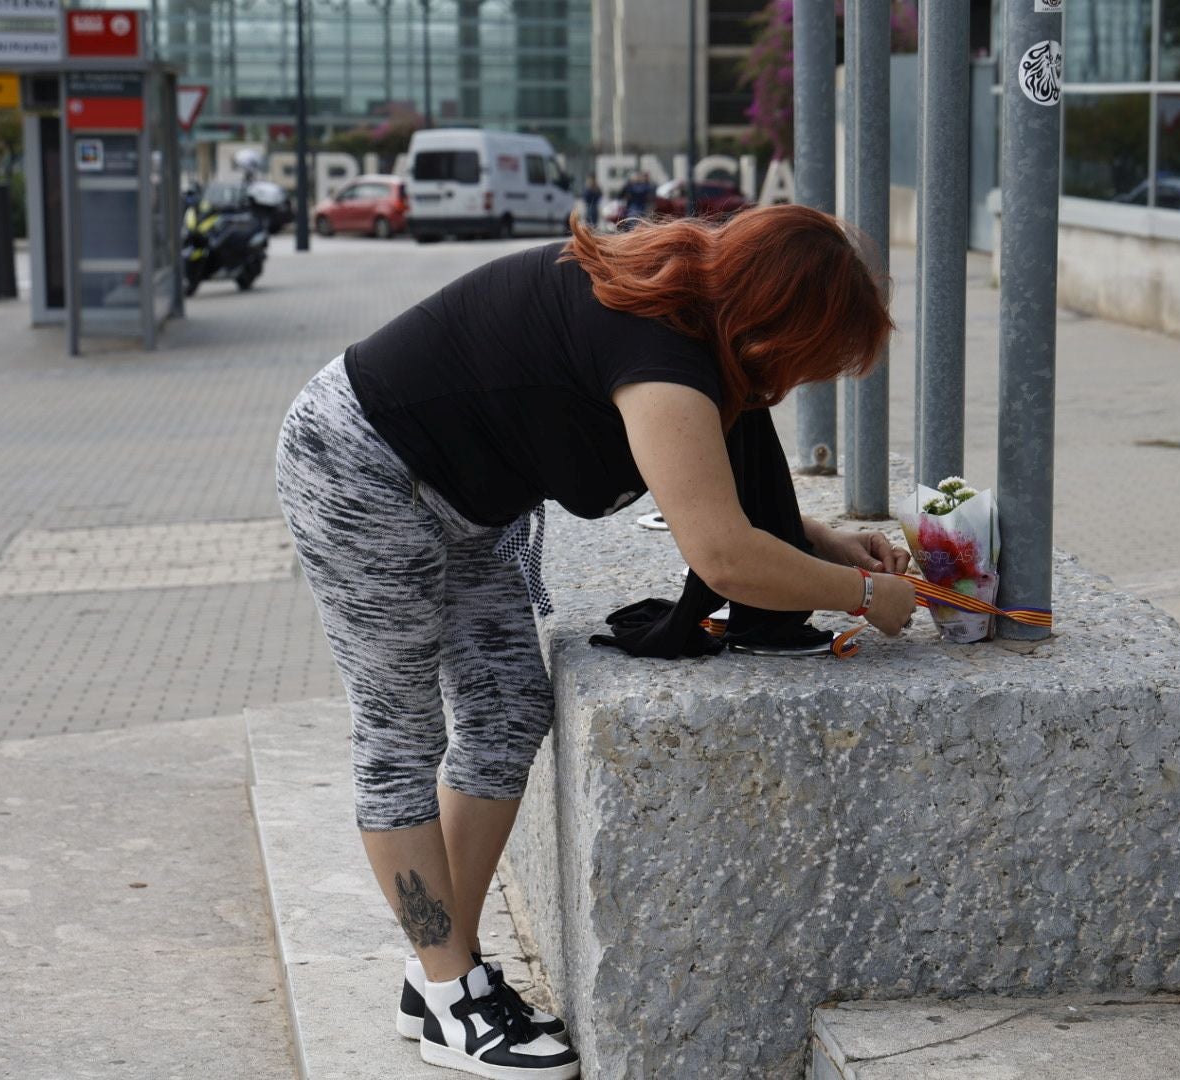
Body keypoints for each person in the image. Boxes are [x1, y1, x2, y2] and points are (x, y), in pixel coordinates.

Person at [273, 204, 914, 1079]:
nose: (800, 384)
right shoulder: (662, 354)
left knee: (505, 711)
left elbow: (699, 484)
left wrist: (825, 543)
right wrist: (862, 594)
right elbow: (722, 554)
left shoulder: (685, 305)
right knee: (399, 734)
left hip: (456, 503)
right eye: (813, 359)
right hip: (360, 469)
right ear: (780, 325)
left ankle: (437, 975)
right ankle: (451, 992)